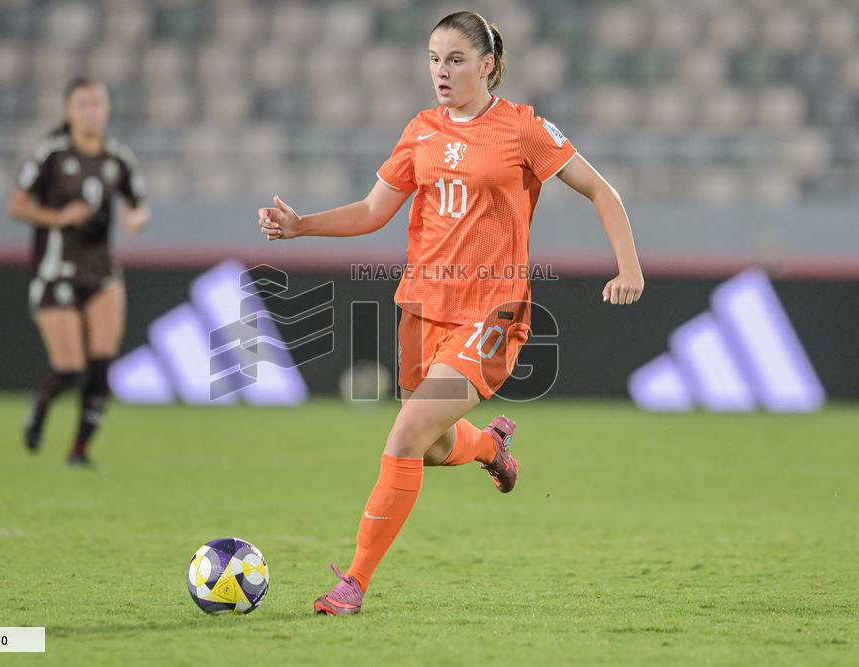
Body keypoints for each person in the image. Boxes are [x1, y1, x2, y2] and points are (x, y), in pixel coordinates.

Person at [258, 11, 644, 615]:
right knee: (433, 447)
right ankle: (491, 448)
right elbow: (371, 210)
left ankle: (353, 583)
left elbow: (603, 190)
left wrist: (628, 267)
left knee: (405, 434)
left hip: (493, 311)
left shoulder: (524, 129)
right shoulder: (421, 131)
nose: (442, 71)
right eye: (434, 59)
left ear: (487, 65)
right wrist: (301, 226)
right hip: (424, 308)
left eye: (456, 59)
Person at [7, 76, 150, 467]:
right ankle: (41, 403)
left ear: (106, 110)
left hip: (102, 270)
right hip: (57, 271)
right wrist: (56, 216)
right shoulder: (51, 154)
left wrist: (136, 219)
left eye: (96, 104)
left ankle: (79, 450)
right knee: (69, 368)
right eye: (82, 105)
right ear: (69, 111)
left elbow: (138, 204)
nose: (90, 112)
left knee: (103, 361)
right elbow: (17, 204)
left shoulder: (118, 158)